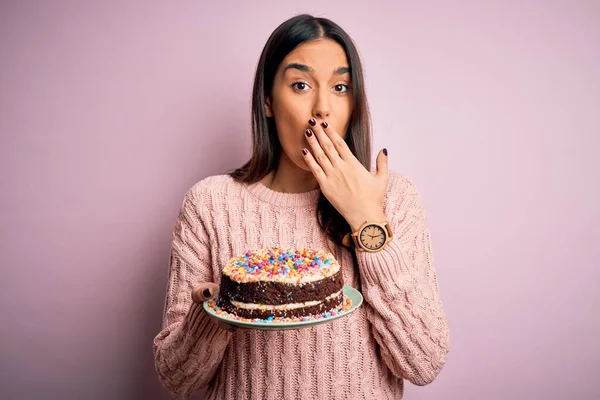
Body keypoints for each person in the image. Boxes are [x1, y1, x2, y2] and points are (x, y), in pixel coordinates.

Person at [153, 13, 450, 400]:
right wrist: (215, 312)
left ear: (355, 104)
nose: (322, 107)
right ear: (268, 102)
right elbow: (176, 379)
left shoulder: (394, 197)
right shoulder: (210, 204)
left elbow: (423, 363)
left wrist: (367, 221)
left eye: (340, 87)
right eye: (300, 85)